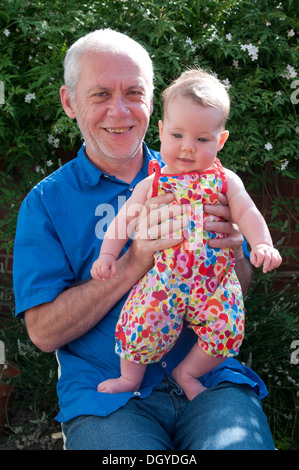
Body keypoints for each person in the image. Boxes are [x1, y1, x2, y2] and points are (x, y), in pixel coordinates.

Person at [13, 29, 276, 450]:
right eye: (100, 94)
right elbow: (43, 333)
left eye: (133, 92)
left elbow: (238, 287)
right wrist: (135, 260)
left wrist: (237, 253)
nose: (119, 111)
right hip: (109, 399)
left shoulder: (200, 173)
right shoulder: (47, 202)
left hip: (209, 383)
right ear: (69, 102)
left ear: (150, 103)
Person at [90, 68, 282, 400]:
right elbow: (124, 219)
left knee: (227, 329)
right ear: (161, 132)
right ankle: (129, 379)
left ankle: (188, 372)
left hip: (216, 282)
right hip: (164, 280)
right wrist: (108, 255)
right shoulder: (154, 182)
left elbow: (248, 212)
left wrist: (261, 242)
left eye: (202, 139)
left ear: (220, 141)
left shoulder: (225, 182)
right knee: (140, 323)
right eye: (177, 136)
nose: (187, 149)